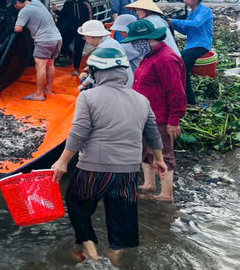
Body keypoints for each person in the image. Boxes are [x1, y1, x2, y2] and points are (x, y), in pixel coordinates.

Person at [51, 47, 167, 264]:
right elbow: (152, 132)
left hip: (93, 168)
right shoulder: (141, 99)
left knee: (77, 202)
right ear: (122, 71)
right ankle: (116, 253)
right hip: (128, 171)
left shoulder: (89, 97)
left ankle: (89, 247)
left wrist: (62, 162)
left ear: (97, 72)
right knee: (122, 213)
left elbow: (79, 132)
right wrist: (159, 159)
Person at [123, 19, 187, 203]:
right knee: (145, 150)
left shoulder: (166, 59)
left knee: (163, 152)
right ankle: (149, 184)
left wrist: (174, 120)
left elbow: (176, 91)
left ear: (147, 40)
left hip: (160, 116)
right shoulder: (149, 55)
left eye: (136, 42)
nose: (134, 46)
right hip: (144, 114)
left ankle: (167, 193)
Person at [9, 0, 62, 101]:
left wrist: (14, 27)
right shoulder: (37, 2)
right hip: (57, 38)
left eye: (14, 5)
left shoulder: (24, 11)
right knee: (50, 64)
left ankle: (39, 94)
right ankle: (48, 89)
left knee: (40, 66)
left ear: (18, 3)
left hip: (44, 40)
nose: (15, 8)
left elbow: (18, 28)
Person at [167, 0, 214, 107]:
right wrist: (172, 24)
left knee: (181, 68)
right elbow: (186, 31)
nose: (185, 0)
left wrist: (175, 21)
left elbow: (196, 24)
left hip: (201, 44)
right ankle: (188, 99)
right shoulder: (192, 12)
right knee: (182, 70)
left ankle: (189, 100)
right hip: (191, 45)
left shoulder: (204, 10)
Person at [51, 0, 94, 76]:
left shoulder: (86, 4)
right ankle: (69, 57)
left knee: (78, 48)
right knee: (63, 44)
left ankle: (76, 68)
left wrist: (87, 32)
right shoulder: (68, 2)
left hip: (82, 30)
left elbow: (90, 19)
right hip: (69, 29)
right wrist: (55, 10)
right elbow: (63, 15)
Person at [77, 20, 134, 88]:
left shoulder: (105, 47)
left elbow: (96, 71)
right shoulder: (110, 42)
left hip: (118, 86)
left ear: (91, 36)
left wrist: (84, 85)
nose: (86, 41)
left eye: (85, 38)